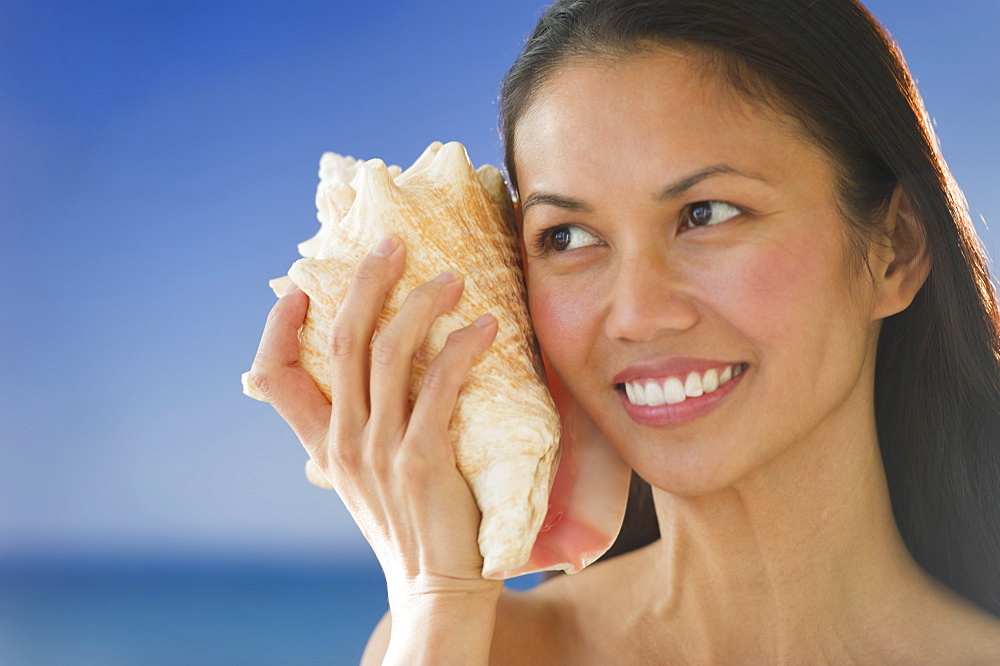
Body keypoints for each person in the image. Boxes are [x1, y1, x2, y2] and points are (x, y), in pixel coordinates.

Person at [248, 0, 1000, 662]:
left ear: (895, 249)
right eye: (569, 237)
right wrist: (437, 600)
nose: (638, 313)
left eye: (706, 214)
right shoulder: (462, 646)